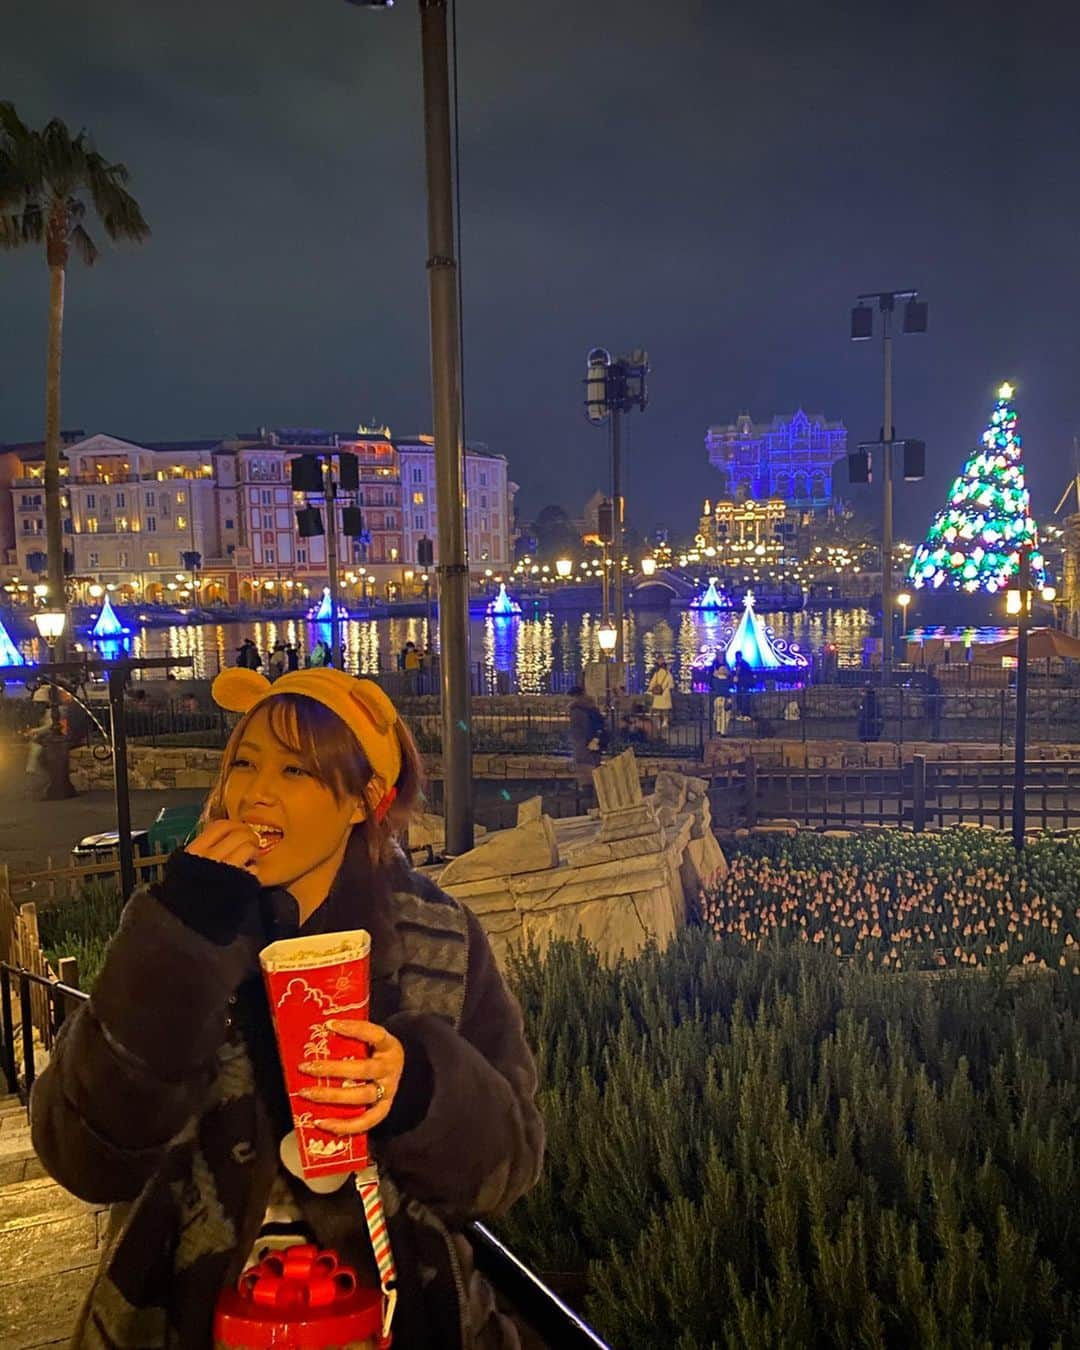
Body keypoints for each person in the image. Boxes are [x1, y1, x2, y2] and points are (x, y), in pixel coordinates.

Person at [30, 666, 543, 1349]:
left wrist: (419, 1086)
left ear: (365, 799)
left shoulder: (439, 936)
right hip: (183, 1319)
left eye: (296, 772)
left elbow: (508, 1167)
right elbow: (83, 1159)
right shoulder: (176, 926)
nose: (254, 793)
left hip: (400, 1316)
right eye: (243, 762)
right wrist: (180, 938)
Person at [568, 684, 605, 795]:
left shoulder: (577, 709)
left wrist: (581, 740)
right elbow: (600, 723)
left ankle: (586, 788)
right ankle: (595, 788)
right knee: (593, 762)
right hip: (594, 741)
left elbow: (579, 728)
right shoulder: (592, 707)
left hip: (583, 742)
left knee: (583, 763)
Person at [647, 657, 675, 735]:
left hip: (657, 694)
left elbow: (652, 683)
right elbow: (671, 685)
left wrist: (650, 689)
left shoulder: (656, 673)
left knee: (658, 709)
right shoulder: (668, 674)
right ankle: (665, 722)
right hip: (665, 694)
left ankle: (659, 723)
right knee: (665, 709)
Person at [925, 664, 943, 740]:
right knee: (933, 721)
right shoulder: (933, 681)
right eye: (937, 669)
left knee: (934, 721)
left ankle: (934, 735)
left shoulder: (932, 680)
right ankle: (934, 736)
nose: (938, 671)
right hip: (933, 703)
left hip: (934, 703)